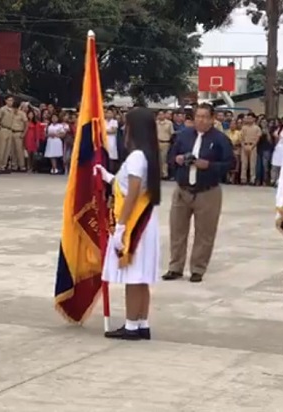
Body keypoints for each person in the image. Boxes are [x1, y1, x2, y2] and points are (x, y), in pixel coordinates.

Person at [94, 107, 161, 340]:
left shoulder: (135, 156)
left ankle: (131, 326)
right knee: (141, 277)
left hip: (134, 222)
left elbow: (132, 193)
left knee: (133, 276)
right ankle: (142, 322)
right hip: (145, 220)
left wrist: (121, 228)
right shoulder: (148, 155)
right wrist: (107, 177)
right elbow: (127, 187)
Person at [163, 103, 233, 283]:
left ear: (212, 119)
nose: (200, 120)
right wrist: (177, 159)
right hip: (183, 189)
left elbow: (230, 165)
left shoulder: (220, 140)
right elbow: (170, 157)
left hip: (207, 191)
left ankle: (198, 268)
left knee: (205, 233)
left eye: (204, 117)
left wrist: (208, 165)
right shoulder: (183, 136)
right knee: (177, 230)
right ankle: (175, 267)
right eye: (197, 116)